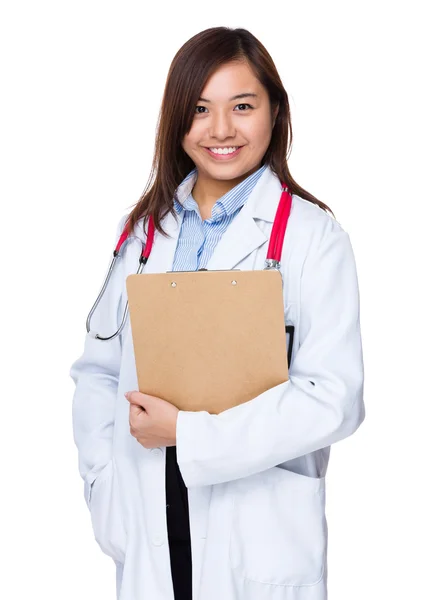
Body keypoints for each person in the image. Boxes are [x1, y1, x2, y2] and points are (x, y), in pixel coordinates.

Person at [70, 26, 365, 600]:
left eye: (243, 106)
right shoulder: (143, 236)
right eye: (200, 109)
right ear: (176, 119)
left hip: (258, 533)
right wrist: (104, 490)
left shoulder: (312, 238)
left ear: (274, 113)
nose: (221, 129)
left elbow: (333, 398)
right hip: (149, 520)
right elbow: (98, 372)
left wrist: (188, 434)